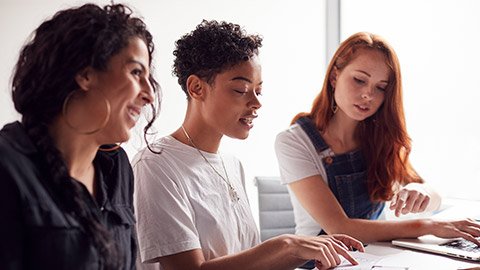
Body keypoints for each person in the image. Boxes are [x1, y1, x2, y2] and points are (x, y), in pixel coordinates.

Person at [133, 20, 364, 270]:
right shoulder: (155, 166)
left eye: (258, 91)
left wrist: (309, 248)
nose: (256, 103)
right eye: (241, 90)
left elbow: (245, 262)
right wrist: (287, 245)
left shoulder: (232, 164)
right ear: (197, 88)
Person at [274, 32, 480, 268]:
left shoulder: (378, 136)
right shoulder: (293, 142)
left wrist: (419, 190)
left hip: (374, 259)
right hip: (321, 264)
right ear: (334, 76)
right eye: (359, 80)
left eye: (381, 87)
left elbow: (434, 196)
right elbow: (339, 227)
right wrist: (430, 226)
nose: (368, 95)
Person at [0, 3, 159, 270]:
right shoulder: (8, 168)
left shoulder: (117, 167)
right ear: (86, 74)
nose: (149, 94)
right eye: (136, 72)